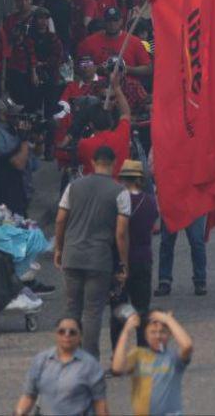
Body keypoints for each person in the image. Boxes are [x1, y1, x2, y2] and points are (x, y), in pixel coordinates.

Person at [54, 145, 130, 358]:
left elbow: (60, 219)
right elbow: (121, 233)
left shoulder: (73, 186)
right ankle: (89, 358)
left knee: (71, 309)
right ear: (114, 163)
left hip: (72, 254)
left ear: (93, 162)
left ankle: (68, 354)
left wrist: (59, 248)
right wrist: (123, 263)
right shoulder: (120, 192)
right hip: (99, 258)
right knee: (93, 312)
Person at [108, 160, 158, 351]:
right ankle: (143, 353)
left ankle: (118, 355)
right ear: (140, 180)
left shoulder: (117, 201)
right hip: (143, 257)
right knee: (142, 310)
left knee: (118, 311)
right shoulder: (150, 201)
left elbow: (116, 232)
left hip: (119, 261)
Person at [14, 316, 108, 416]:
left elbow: (100, 405)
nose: (66, 335)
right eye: (62, 331)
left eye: (72, 332)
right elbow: (29, 396)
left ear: (80, 336)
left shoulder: (91, 366)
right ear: (55, 334)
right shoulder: (41, 360)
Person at [112, 310, 194, 416]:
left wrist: (168, 320)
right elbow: (117, 368)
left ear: (169, 334)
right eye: (153, 332)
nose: (158, 336)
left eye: (162, 332)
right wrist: (126, 331)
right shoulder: (137, 355)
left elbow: (187, 346)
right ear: (145, 335)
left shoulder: (173, 358)